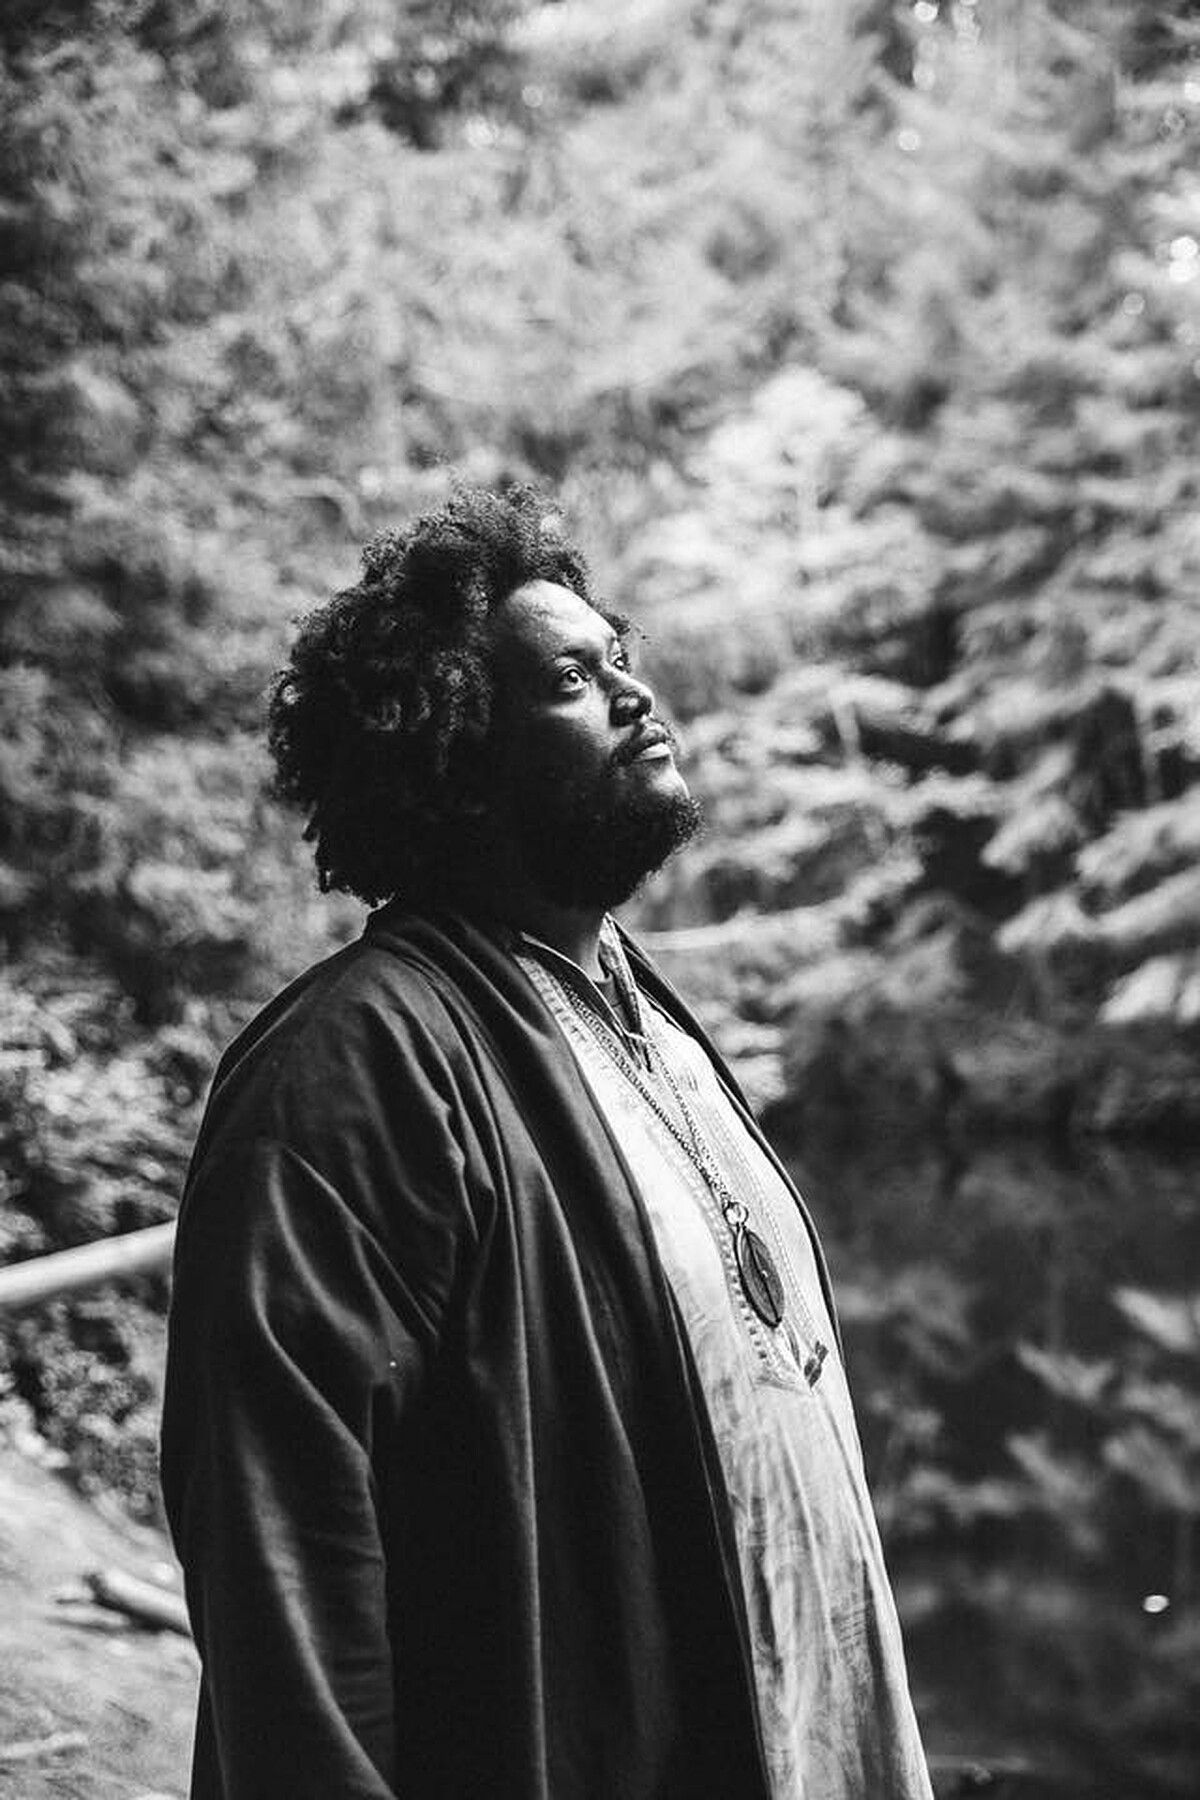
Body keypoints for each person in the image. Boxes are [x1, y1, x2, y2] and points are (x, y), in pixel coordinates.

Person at [160, 485, 933, 1800]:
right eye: (574, 680)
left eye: (620, 656)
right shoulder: (349, 1071)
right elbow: (275, 1555)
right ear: (456, 753)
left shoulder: (649, 1015)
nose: (636, 694)